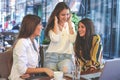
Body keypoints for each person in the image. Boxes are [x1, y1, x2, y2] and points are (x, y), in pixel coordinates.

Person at [9, 14, 53, 80]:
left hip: (30, 77)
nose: (42, 27)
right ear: (32, 26)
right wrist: (44, 69)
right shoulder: (22, 43)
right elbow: (22, 70)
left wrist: (31, 72)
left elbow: (32, 66)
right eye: (40, 24)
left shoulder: (34, 42)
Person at [44, 2, 76, 74]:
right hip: (51, 57)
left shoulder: (71, 25)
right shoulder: (52, 26)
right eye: (63, 15)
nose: (66, 17)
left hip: (66, 57)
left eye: (67, 14)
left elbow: (73, 39)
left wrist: (70, 22)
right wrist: (55, 22)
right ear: (57, 15)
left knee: (66, 72)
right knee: (52, 76)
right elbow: (55, 39)